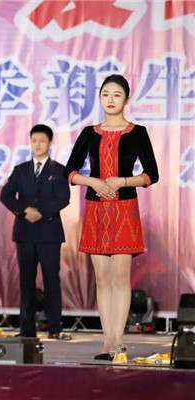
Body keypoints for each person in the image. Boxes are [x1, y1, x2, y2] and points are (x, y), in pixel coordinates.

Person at [64, 74, 159, 362]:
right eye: (106, 94)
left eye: (117, 94)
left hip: (125, 209)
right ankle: (107, 340)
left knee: (120, 277)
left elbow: (152, 174)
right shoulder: (89, 133)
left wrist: (122, 181)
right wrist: (92, 181)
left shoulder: (137, 132)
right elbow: (70, 172)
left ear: (127, 99)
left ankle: (118, 339)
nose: (111, 99)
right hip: (95, 209)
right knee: (102, 279)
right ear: (100, 98)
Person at [0, 124, 72, 341]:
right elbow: (6, 195)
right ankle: (27, 328)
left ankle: (54, 327)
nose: (37, 144)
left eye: (42, 140)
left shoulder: (59, 170)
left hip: (49, 233)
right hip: (25, 233)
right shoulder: (21, 170)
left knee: (51, 280)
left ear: (50, 143)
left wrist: (42, 213)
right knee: (26, 282)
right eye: (34, 140)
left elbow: (63, 198)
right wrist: (25, 211)